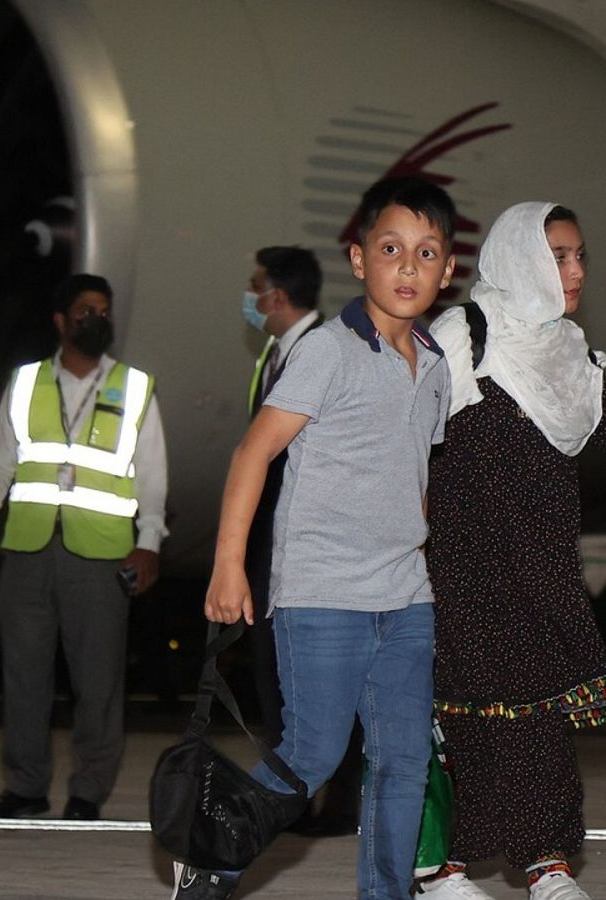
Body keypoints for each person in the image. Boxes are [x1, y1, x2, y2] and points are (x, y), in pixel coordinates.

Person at [176, 176, 455, 900]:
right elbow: (253, 453)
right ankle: (211, 859)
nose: (407, 267)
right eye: (390, 248)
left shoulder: (436, 368)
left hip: (405, 599)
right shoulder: (328, 352)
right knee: (311, 754)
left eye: (426, 253)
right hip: (323, 592)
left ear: (447, 271)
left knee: (402, 763)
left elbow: (415, 473)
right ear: (359, 260)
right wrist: (230, 566)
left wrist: (423, 555)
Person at [416, 203, 606, 900]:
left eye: (579, 257)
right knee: (467, 721)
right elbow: (405, 443)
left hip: (542, 573)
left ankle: (547, 865)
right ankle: (443, 870)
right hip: (462, 572)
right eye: (560, 256)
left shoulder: (569, 352)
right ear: (520, 259)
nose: (574, 271)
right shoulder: (462, 336)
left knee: (539, 726)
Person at [0, 273, 168, 821]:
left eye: (103, 310)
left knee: (98, 682)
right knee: (24, 677)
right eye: (84, 310)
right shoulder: (27, 383)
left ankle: (87, 792)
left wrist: (148, 544)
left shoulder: (134, 387)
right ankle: (26, 788)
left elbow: (152, 476)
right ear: (60, 320)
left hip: (102, 558)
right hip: (28, 551)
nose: (95, 319)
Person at [241, 245, 362, 836]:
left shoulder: (323, 350)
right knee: (274, 667)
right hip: (278, 534)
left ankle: (338, 800)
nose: (250, 298)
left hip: (317, 538)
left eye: (255, 287)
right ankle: (297, 793)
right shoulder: (275, 353)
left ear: (279, 296)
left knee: (328, 668)